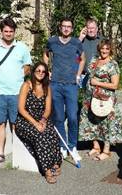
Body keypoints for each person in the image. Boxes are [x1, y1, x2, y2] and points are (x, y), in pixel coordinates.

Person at [0, 17, 31, 166]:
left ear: (14, 31)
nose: (9, 34)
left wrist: (17, 78)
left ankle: (19, 153)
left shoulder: (22, 47)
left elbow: (27, 66)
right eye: (6, 31)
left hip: (17, 92)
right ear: (1, 31)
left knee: (16, 122)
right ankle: (0, 154)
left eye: (11, 31)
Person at [43, 18, 85, 160]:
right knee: (59, 117)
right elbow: (45, 54)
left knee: (73, 117)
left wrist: (78, 75)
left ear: (72, 29)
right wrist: (46, 70)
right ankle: (63, 145)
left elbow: (83, 59)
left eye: (69, 27)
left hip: (71, 85)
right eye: (64, 26)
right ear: (60, 28)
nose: (66, 29)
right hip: (55, 84)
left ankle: (72, 146)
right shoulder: (52, 41)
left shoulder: (76, 43)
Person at [15, 62, 62, 184]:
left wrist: (42, 120)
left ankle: (55, 163)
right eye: (38, 71)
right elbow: (21, 109)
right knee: (39, 136)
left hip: (41, 119)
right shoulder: (26, 85)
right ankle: (46, 170)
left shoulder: (47, 87)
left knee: (51, 133)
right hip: (25, 120)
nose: (40, 73)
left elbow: (47, 109)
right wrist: (35, 124)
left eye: (43, 71)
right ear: (34, 72)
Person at [79, 39, 122, 160]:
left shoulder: (112, 64)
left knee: (106, 122)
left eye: (107, 49)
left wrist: (97, 83)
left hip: (105, 98)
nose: (104, 50)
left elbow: (115, 85)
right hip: (90, 96)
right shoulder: (95, 59)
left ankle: (106, 150)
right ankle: (96, 146)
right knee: (91, 121)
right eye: (102, 48)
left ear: (110, 50)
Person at [79, 18, 103, 88]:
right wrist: (80, 38)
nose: (91, 30)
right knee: (81, 98)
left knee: (95, 98)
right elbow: (72, 52)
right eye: (89, 28)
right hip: (82, 76)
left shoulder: (102, 40)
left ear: (97, 29)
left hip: (98, 77)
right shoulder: (81, 40)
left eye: (93, 28)